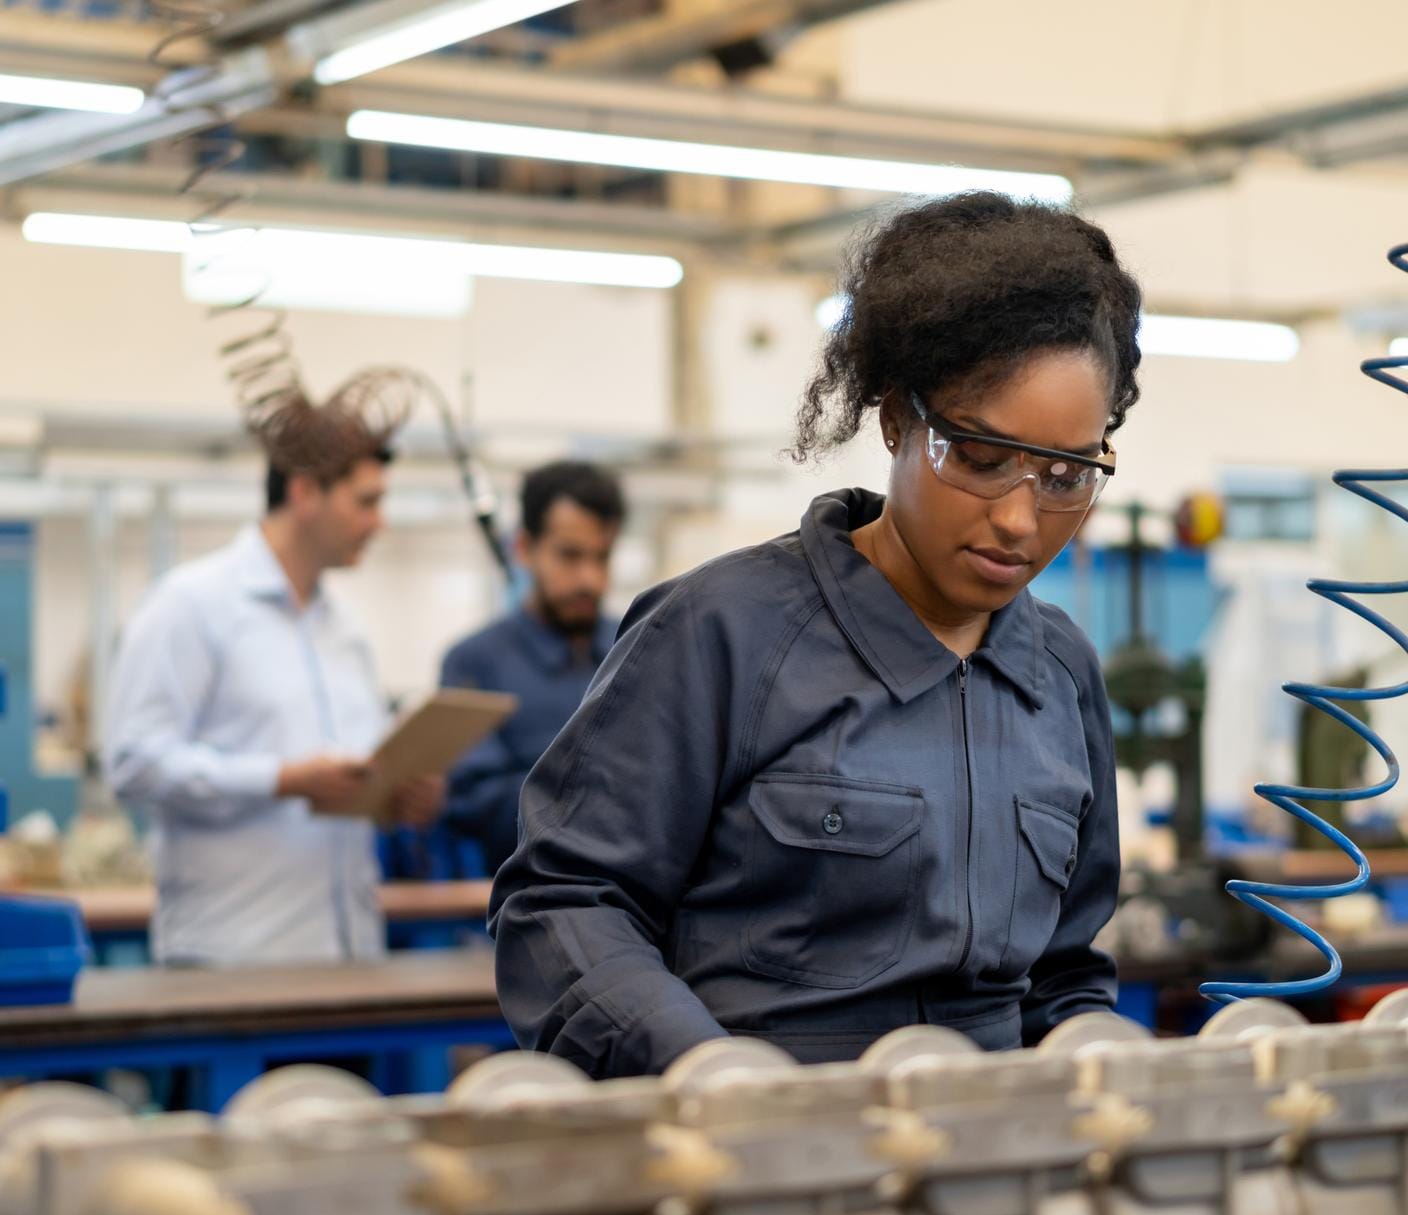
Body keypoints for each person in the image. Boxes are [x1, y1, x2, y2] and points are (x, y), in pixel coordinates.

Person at [491, 192, 1141, 1077]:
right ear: (896, 419)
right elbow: (566, 902)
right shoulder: (722, 635)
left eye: (1067, 475)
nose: (1022, 520)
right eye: (982, 460)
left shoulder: (1059, 675)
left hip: (994, 1168)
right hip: (759, 1162)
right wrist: (707, 1076)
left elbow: (1063, 973)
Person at [105, 375, 444, 965]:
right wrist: (282, 779)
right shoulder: (192, 606)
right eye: (366, 501)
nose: (379, 522)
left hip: (348, 959)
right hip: (231, 963)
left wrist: (395, 797)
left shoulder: (344, 631)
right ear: (306, 491)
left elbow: (349, 782)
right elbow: (133, 762)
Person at [439, 460, 624, 873]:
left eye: (602, 557)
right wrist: (605, 792)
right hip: (522, 907)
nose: (589, 580)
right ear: (524, 548)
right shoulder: (475, 662)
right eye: (570, 556)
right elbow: (474, 802)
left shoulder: (634, 649)